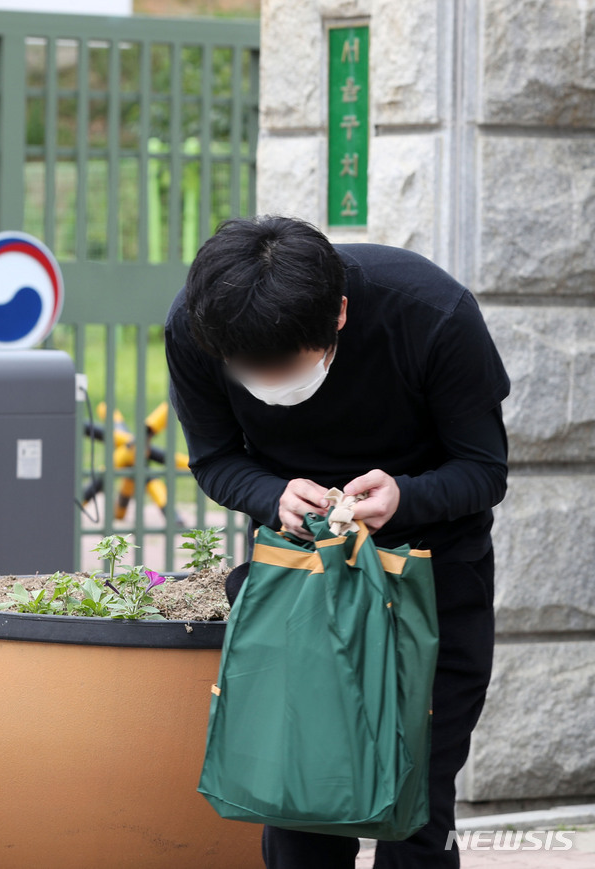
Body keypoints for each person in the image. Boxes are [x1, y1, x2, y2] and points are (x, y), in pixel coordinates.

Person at [164, 215, 510, 869]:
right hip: (300, 586)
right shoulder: (199, 324)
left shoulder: (430, 312)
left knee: (417, 810)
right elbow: (213, 459)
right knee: (300, 806)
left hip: (431, 583)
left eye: (283, 365)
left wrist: (406, 495)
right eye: (248, 369)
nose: (267, 382)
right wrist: (273, 494)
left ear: (341, 315)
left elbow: (483, 468)